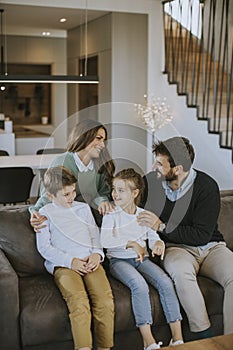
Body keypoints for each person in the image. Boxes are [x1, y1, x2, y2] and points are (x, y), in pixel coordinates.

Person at [137, 136, 233, 339]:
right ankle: (203, 337)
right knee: (181, 274)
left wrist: (161, 225)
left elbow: (201, 235)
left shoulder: (206, 187)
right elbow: (129, 204)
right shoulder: (150, 183)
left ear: (178, 168)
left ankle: (229, 339)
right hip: (175, 248)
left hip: (211, 247)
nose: (154, 166)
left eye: (160, 163)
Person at [101, 168, 184, 350]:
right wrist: (131, 243)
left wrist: (158, 244)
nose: (115, 194)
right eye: (114, 189)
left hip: (142, 260)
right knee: (139, 285)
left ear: (135, 193)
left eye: (121, 190)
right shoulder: (111, 214)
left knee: (165, 282)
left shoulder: (143, 214)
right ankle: (148, 341)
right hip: (119, 261)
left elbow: (153, 236)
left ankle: (177, 339)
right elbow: (105, 240)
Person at [36, 165, 114, 350]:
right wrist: (70, 262)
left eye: (73, 192)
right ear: (50, 195)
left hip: (90, 261)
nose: (72, 197)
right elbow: (44, 248)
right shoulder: (45, 214)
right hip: (64, 266)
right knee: (79, 303)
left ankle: (104, 347)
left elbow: (95, 234)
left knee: (104, 300)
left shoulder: (83, 208)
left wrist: (97, 253)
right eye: (66, 194)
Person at [30, 119, 115, 229]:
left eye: (104, 140)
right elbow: (49, 194)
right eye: (98, 138)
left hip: (89, 216)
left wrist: (102, 202)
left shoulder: (101, 164)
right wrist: (36, 212)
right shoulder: (62, 161)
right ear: (84, 137)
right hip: (66, 215)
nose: (102, 145)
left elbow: (103, 193)